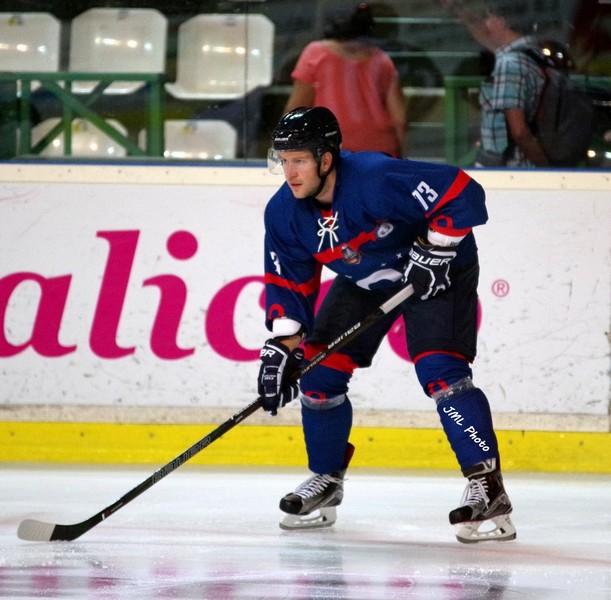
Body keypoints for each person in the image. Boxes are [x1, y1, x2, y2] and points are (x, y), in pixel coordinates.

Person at [256, 105, 517, 544]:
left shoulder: (374, 177)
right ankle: (326, 478)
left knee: (441, 371)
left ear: (326, 159)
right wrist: (283, 345)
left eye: (299, 160)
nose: (290, 172)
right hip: (367, 279)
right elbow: (289, 283)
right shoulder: (283, 213)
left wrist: (437, 247)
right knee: (318, 371)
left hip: (438, 270)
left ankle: (487, 486)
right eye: (283, 160)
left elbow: (462, 191)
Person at [284, 3, 406, 157]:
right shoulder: (382, 59)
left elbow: (296, 109)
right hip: (381, 150)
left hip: (333, 149)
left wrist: (285, 151)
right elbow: (399, 119)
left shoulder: (316, 53)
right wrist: (401, 156)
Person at [442, 1, 549, 167]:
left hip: (509, 167)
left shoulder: (509, 64)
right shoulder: (531, 51)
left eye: (489, 17)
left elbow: (519, 132)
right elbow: (483, 36)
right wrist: (460, 10)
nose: (486, 24)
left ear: (501, 21)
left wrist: (547, 169)